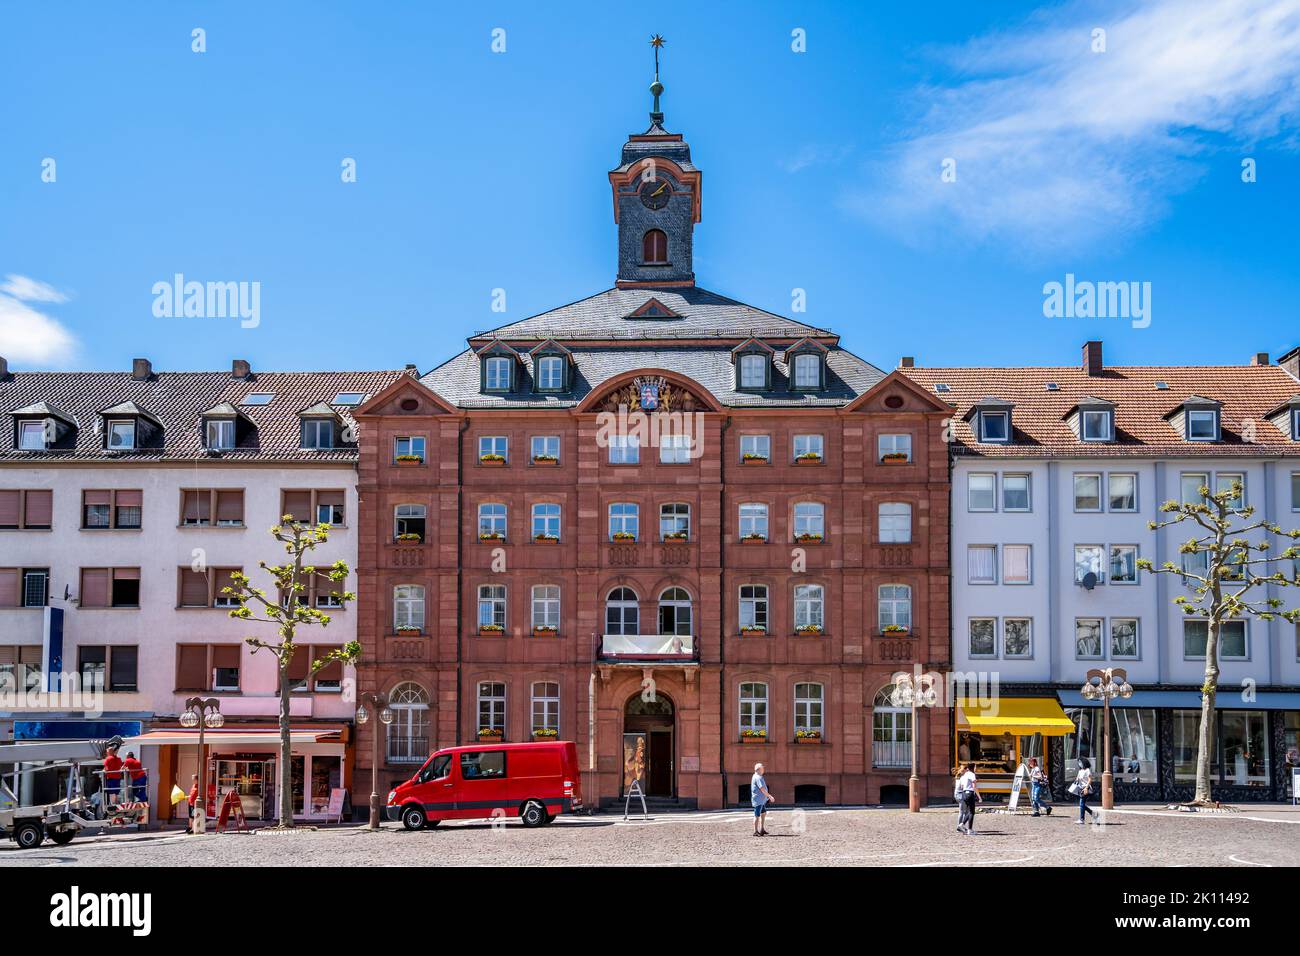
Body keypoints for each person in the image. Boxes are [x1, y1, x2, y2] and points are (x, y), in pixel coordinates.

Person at [1074, 757, 1100, 825]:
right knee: (1082, 804)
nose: (1079, 763)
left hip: (1086, 788)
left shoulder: (1087, 770)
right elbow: (1077, 779)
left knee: (1081, 803)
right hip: (1080, 788)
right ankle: (1094, 814)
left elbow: (1090, 779)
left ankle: (1082, 819)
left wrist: (1086, 787)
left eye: (1080, 762)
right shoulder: (1080, 771)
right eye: (1078, 762)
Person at [955, 762, 980, 834]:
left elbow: (962, 786)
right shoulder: (972, 774)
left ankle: (961, 824)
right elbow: (974, 786)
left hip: (964, 794)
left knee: (969, 812)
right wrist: (979, 797)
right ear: (973, 768)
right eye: (975, 767)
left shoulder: (964, 775)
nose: (976, 769)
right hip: (970, 793)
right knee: (972, 812)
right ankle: (970, 830)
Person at [750, 762, 774, 836]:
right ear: (758, 769)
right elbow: (762, 789)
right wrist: (769, 796)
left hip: (761, 800)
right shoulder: (758, 777)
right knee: (757, 815)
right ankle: (755, 831)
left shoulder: (757, 776)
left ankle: (762, 829)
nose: (763, 769)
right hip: (758, 800)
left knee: (763, 813)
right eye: (762, 768)